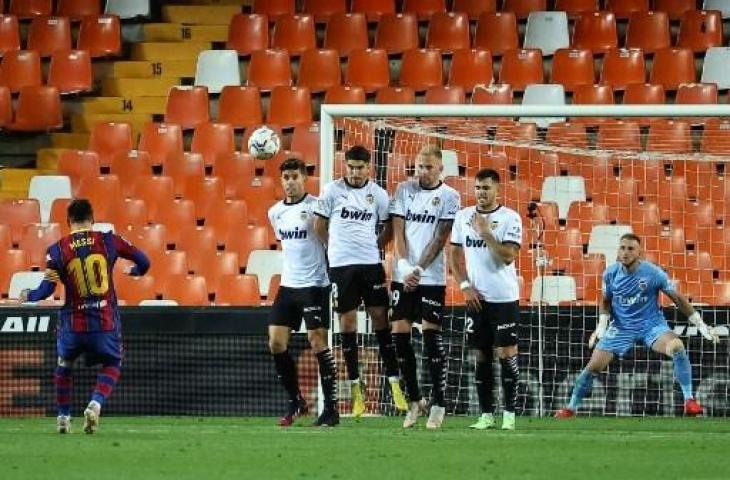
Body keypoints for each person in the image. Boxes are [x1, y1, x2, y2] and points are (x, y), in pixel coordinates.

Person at [17, 199, 149, 434]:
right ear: (93, 219)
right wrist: (136, 271)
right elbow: (145, 261)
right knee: (113, 362)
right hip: (104, 321)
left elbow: (46, 289)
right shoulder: (109, 240)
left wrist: (28, 295)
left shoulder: (57, 250)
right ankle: (95, 403)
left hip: (72, 325)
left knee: (64, 365)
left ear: (69, 222)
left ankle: (63, 417)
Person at [555, 233, 720, 418]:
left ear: (639, 252)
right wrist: (601, 326)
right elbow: (606, 300)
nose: (625, 252)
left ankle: (689, 401)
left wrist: (700, 324)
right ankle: (570, 409)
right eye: (622, 248)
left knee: (677, 347)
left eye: (630, 248)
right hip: (621, 328)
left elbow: (678, 298)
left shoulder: (654, 273)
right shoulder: (610, 273)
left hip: (652, 325)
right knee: (592, 367)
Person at [314, 145, 407, 417]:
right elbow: (319, 226)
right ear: (346, 166)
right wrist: (335, 249)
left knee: (381, 321)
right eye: (351, 167)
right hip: (342, 268)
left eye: (360, 168)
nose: (355, 172)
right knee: (348, 324)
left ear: (369, 168)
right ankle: (356, 389)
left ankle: (394, 384)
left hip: (370, 266)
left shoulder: (378, 195)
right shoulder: (332, 191)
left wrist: (373, 247)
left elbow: (388, 228)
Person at [390, 145, 460, 429]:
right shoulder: (404, 190)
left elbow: (441, 238)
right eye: (419, 166)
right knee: (399, 337)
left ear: (440, 168)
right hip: (403, 275)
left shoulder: (449, 196)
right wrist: (405, 267)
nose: (422, 172)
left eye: (428, 167)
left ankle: (439, 402)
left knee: (431, 338)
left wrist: (418, 270)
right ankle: (415, 400)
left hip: (430, 279)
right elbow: (398, 231)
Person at [449, 168, 523, 431]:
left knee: (506, 355)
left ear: (497, 190)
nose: (481, 192)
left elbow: (507, 256)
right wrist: (465, 286)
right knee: (481, 356)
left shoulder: (510, 218)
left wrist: (485, 233)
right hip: (475, 299)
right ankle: (486, 415)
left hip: (504, 298)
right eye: (478, 187)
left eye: (487, 188)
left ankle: (510, 415)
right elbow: (454, 258)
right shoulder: (462, 217)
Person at [268, 158, 339, 427]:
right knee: (275, 342)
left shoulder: (316, 208)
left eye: (294, 176)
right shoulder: (275, 212)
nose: (289, 182)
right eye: (285, 177)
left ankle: (331, 409)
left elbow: (328, 242)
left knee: (317, 341)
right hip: (288, 285)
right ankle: (296, 400)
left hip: (315, 285)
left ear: (305, 179)